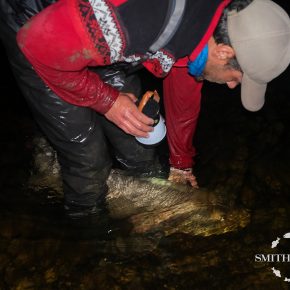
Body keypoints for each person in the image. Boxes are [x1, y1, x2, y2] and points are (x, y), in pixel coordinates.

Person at [1, 0, 290, 219]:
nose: (230, 86)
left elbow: (183, 87)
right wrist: (109, 102)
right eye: (236, 79)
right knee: (87, 157)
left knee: (141, 148)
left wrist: (181, 162)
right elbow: (37, 45)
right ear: (224, 52)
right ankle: (85, 230)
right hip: (39, 30)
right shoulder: (139, 20)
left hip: (101, 31)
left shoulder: (210, 20)